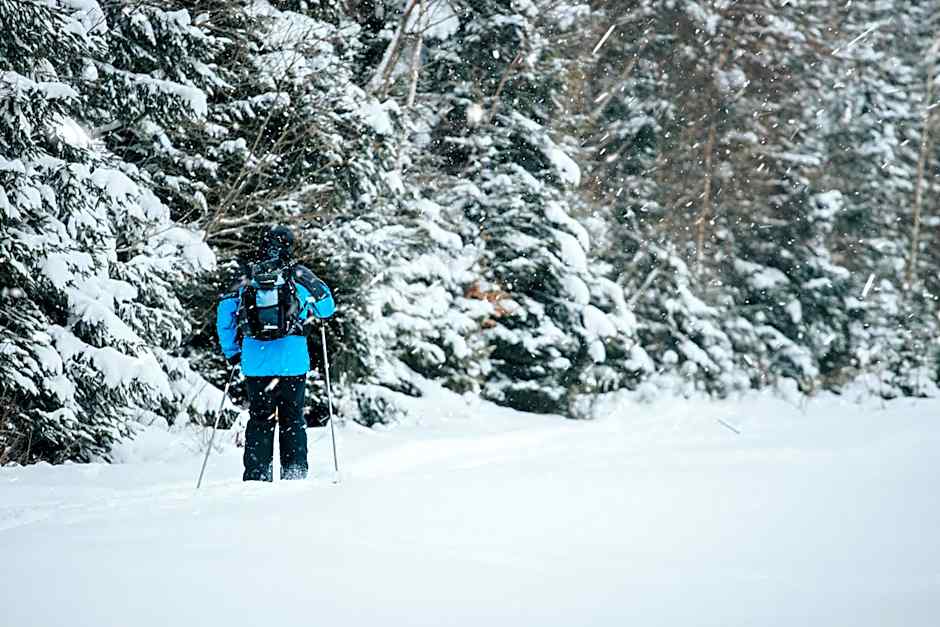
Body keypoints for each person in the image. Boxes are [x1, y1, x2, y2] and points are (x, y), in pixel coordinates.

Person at [216, 226, 335, 481]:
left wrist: (232, 352)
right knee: (292, 419)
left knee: (260, 419)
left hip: (256, 362)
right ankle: (294, 474)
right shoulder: (299, 275)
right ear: (289, 247)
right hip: (292, 362)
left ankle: (257, 477)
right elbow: (327, 308)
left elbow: (225, 314)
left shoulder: (246, 276)